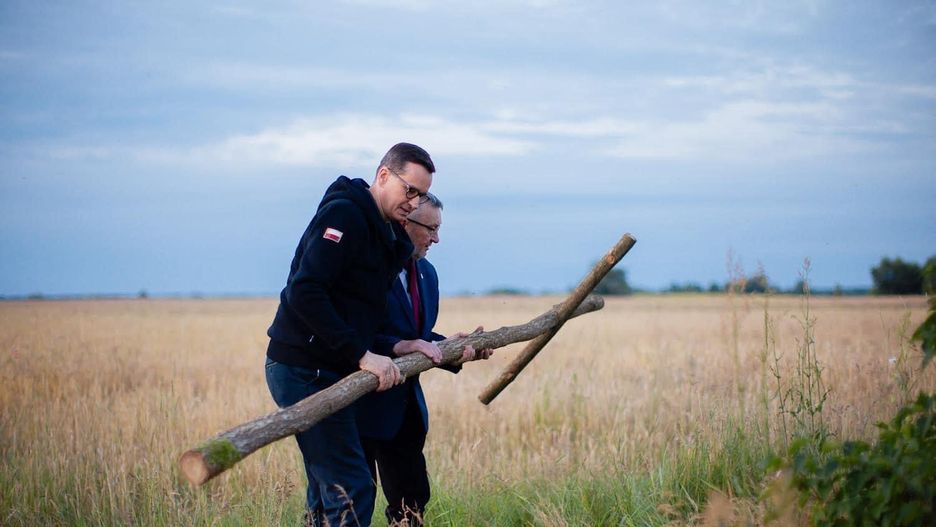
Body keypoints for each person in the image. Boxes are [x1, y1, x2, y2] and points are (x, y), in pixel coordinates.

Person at [264, 143, 435, 527]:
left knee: (327, 490)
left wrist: (399, 345)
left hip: (330, 368)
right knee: (351, 487)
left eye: (421, 196)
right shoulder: (345, 214)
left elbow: (362, 313)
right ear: (383, 176)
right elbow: (305, 292)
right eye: (410, 190)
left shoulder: (385, 233)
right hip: (303, 368)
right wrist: (362, 354)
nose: (414, 202)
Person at [357, 193, 493, 526]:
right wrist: (398, 346)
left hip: (404, 410)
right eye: (431, 229)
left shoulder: (427, 273)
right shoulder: (368, 267)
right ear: (405, 222)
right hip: (356, 406)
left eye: (438, 229)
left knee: (412, 504)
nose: (436, 239)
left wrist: (453, 348)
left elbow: (418, 335)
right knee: (349, 502)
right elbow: (353, 331)